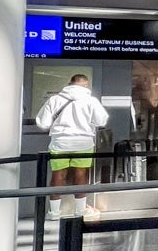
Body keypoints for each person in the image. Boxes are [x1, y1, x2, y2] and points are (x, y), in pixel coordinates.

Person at [35, 73, 110, 220]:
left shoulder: (54, 99)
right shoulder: (91, 101)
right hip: (83, 143)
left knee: (58, 175)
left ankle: (54, 212)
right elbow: (101, 121)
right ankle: (80, 210)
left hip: (60, 142)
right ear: (86, 85)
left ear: (70, 84)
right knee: (81, 174)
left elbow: (43, 123)